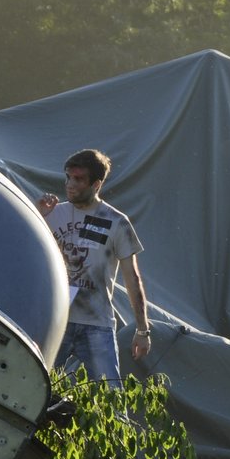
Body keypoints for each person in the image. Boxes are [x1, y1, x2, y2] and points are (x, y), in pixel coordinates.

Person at [36, 149, 150, 385]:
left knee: (111, 398)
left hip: (96, 323)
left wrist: (142, 330)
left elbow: (132, 278)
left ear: (96, 184)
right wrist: (37, 217)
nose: (70, 184)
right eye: (68, 177)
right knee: (34, 386)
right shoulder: (51, 213)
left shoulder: (116, 222)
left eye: (78, 179)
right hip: (57, 319)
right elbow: (24, 255)